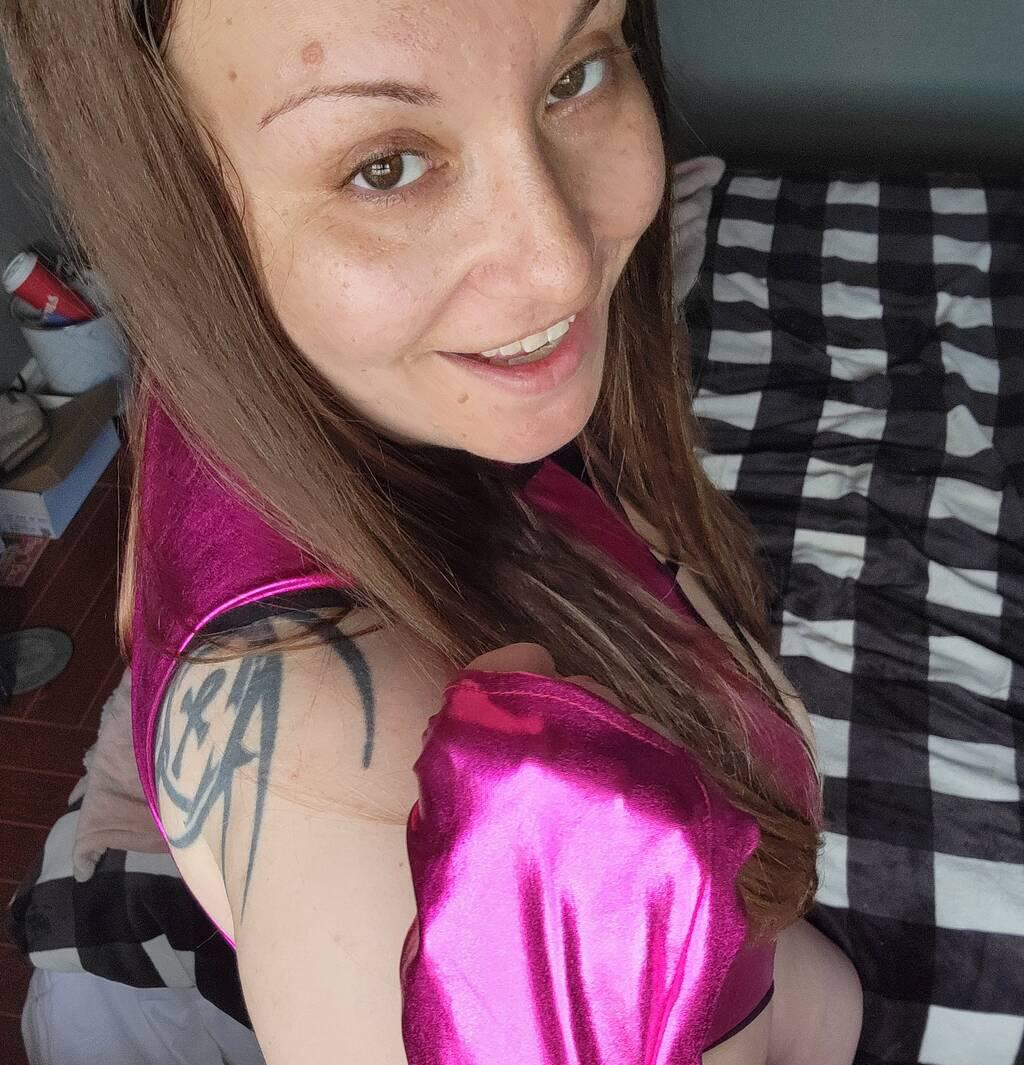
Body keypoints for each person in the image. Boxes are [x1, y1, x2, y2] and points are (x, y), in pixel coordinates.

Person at [1, 0, 863, 1062]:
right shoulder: (375, 793)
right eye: (384, 167)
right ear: (174, 213)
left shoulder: (252, 374)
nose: (560, 264)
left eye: (574, 75)